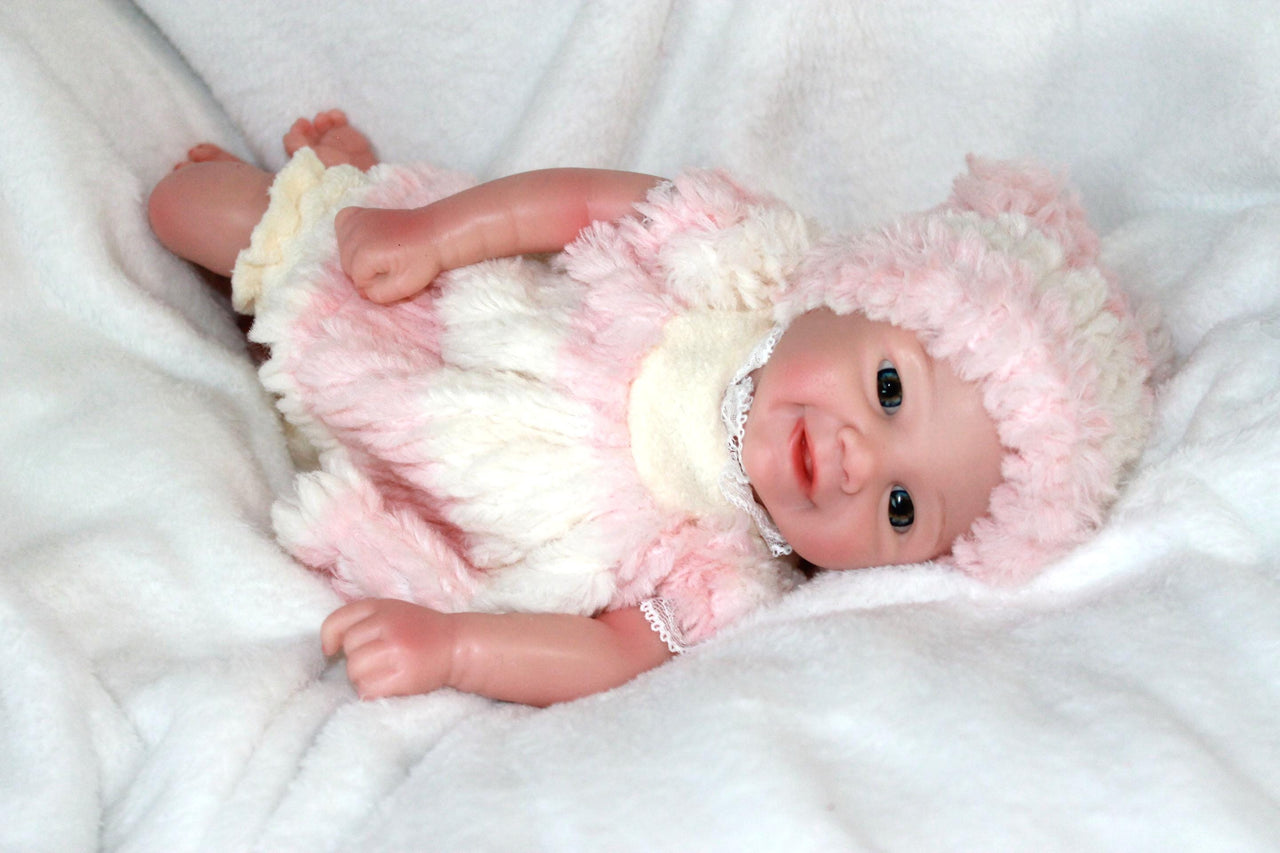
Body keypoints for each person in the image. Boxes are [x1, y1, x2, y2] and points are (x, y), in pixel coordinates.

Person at [148, 111, 1159, 706]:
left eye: (901, 509)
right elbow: (579, 205)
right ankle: (339, 198)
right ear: (858, 289)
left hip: (434, 461)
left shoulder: (725, 572)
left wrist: (448, 645)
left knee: (305, 375)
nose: (857, 462)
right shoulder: (738, 260)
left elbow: (605, 650)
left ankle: (312, 230)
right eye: (887, 389)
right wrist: (437, 232)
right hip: (453, 305)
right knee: (198, 214)